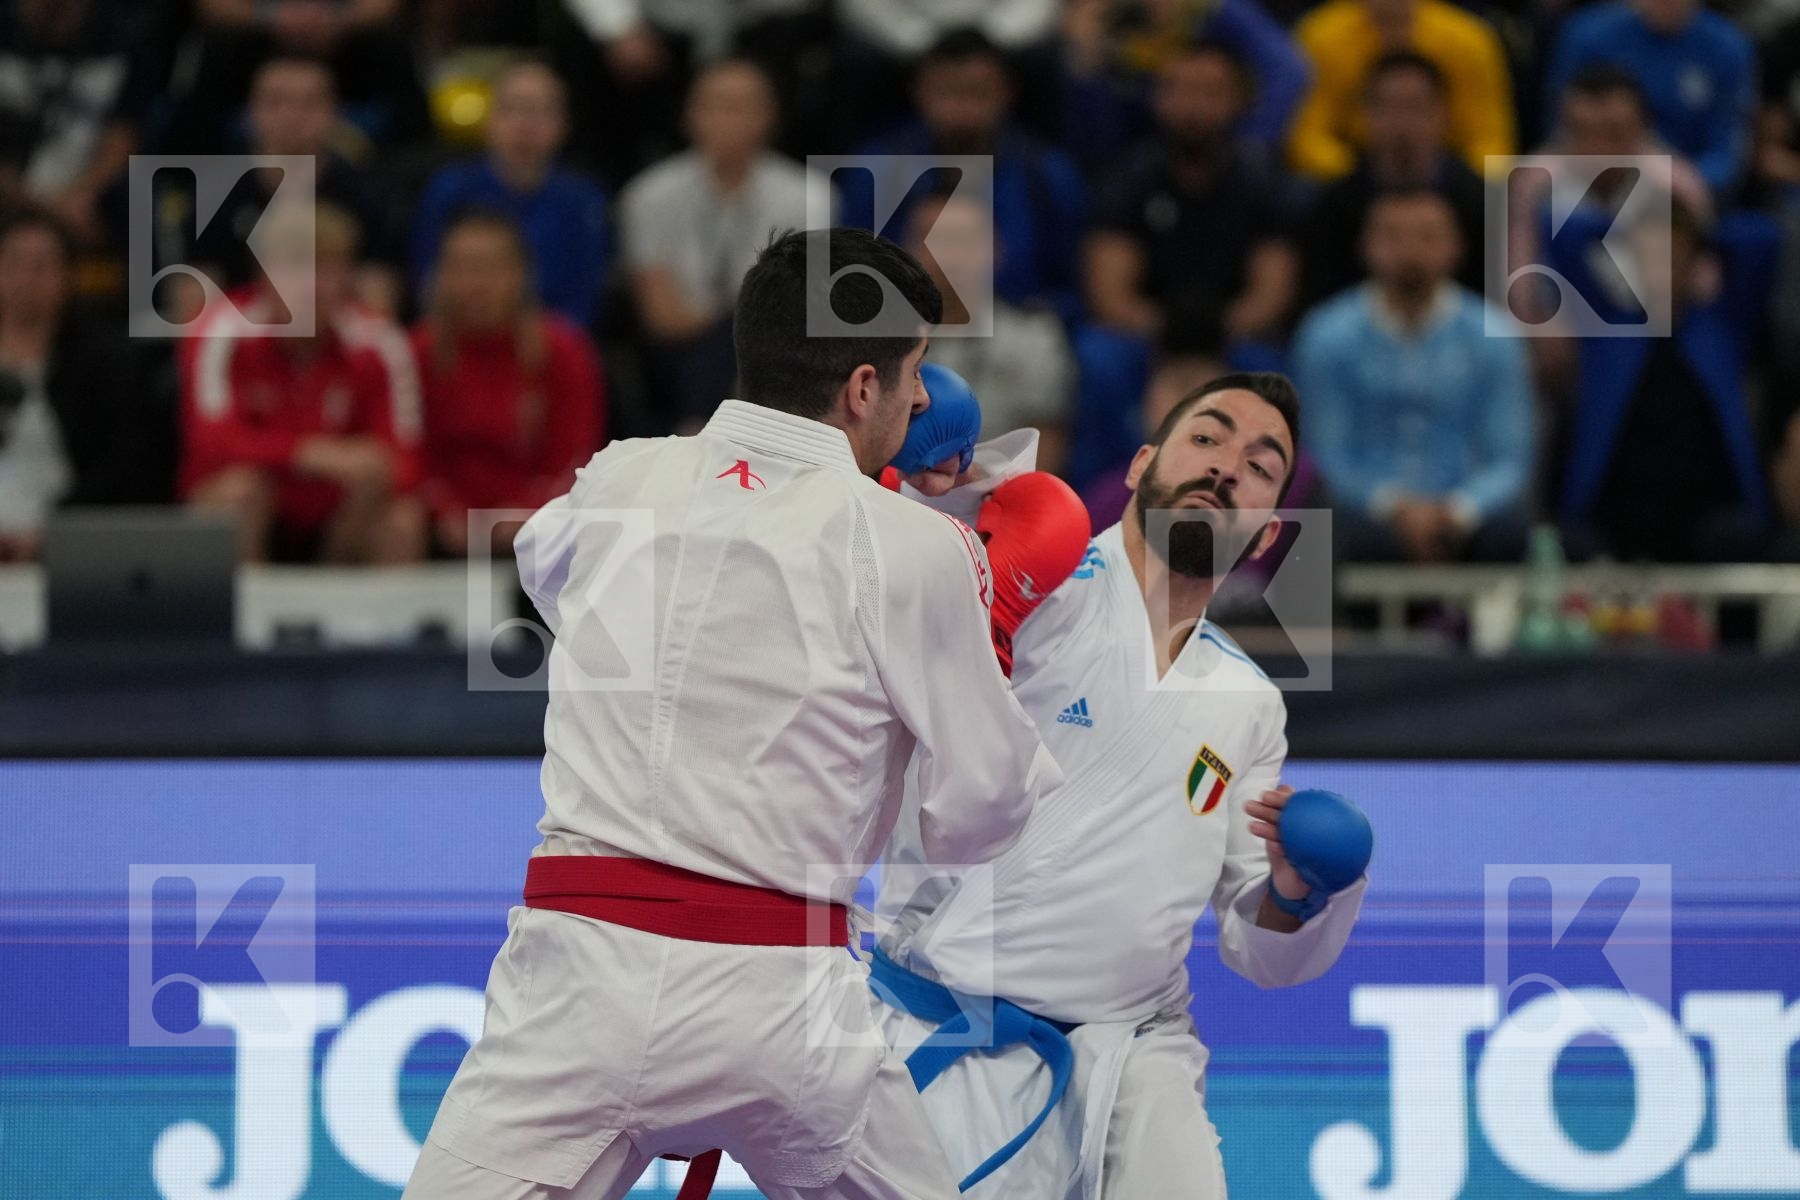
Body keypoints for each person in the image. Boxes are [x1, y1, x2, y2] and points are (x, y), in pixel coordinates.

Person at [402, 227, 1070, 1199]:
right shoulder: (914, 549)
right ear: (862, 390)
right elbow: (980, 812)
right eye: (914, 371)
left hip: (578, 982)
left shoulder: (618, 479)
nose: (925, 398)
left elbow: (547, 576)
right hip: (783, 1001)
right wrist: (980, 629)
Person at [872, 371, 1367, 1198]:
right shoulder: (1025, 575)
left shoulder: (1248, 702)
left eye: (1260, 463)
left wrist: (1295, 891)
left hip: (1137, 1053)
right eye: (1207, 438)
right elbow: (898, 536)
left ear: (1271, 530)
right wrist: (923, 468)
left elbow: (1260, 941)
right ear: (1140, 466)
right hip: (951, 1027)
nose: (1226, 467)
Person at [1293, 188, 1533, 563]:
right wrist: (1393, 509)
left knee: (1512, 536)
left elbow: (1509, 459)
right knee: (1332, 535)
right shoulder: (1326, 336)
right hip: (1364, 512)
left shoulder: (1495, 335)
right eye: (1392, 236)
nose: (1410, 251)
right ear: (1365, 246)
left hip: (1465, 512)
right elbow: (1323, 454)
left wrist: (1457, 511)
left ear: (1457, 246)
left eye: (1428, 237)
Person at [181, 202, 424, 563]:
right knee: (238, 494)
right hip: (258, 501)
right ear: (261, 276)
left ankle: (359, 614)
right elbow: (210, 442)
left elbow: (405, 457)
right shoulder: (221, 333)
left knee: (401, 519)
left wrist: (370, 468)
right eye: (292, 269)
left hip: (342, 515)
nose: (309, 286)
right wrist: (308, 453)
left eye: (324, 269)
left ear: (348, 278)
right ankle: (245, 617)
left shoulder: (380, 342)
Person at [620, 58, 830, 428]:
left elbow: (792, 309)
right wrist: (726, 318)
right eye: (715, 105)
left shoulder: (809, 195)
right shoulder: (648, 195)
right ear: (688, 114)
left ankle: (698, 429)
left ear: (770, 116)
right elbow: (661, 316)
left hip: (771, 351)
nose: (728, 119)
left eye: (741, 107)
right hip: (676, 353)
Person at [839, 29, 1086, 323]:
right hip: (903, 326)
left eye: (978, 93)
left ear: (1007, 92)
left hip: (1019, 327)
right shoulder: (876, 169)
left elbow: (1072, 286)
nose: (964, 110)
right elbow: (853, 278)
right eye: (949, 92)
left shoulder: (1048, 174)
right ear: (919, 90)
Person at [411, 210, 604, 558]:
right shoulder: (418, 352)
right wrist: (443, 509)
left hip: (539, 523)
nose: (476, 284)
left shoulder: (563, 351)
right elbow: (411, 452)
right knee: (400, 521)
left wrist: (523, 514)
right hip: (442, 524)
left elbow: (576, 457)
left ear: (520, 274)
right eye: (462, 268)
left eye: (490, 268)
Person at [1085, 41, 1299, 348]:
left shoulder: (1264, 183)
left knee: (1265, 359)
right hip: (1146, 335)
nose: (1193, 107)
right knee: (1100, 352)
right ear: (1156, 98)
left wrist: (1209, 334)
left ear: (1241, 101)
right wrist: (1177, 333)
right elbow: (1110, 296)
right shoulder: (1127, 178)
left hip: (1233, 336)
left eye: (1210, 93)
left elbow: (1270, 296)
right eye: (1179, 90)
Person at [186, 55, 403, 315]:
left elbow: (378, 292)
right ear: (252, 109)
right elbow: (195, 293)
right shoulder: (217, 193)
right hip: (243, 333)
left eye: (309, 104)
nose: (292, 115)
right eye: (277, 102)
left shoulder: (365, 193)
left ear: (333, 111)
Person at [0, 209, 158, 560]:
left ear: (67, 276)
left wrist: (55, 528)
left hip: (63, 532)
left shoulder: (102, 360)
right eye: (14, 264)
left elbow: (121, 465)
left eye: (41, 266)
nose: (26, 279)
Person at [412, 59, 611, 328]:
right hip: (460, 340)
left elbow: (582, 303)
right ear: (489, 119)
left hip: (551, 345)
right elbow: (430, 288)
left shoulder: (584, 201)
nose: (525, 125)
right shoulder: (449, 190)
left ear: (564, 124)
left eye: (540, 111)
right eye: (512, 109)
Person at [901, 189, 1075, 474]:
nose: (948, 256)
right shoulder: (882, 342)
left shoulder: (1035, 338)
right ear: (907, 251)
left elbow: (1046, 452)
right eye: (932, 242)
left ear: (995, 249)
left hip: (1001, 501)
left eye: (962, 241)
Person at [1299, 50, 1487, 308]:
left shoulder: (1479, 202)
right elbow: (1322, 302)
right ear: (1367, 113)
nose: (1402, 123)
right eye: (1387, 107)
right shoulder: (1335, 205)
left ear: (1442, 114)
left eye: (1415, 107)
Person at [1546, 0, 1755, 197]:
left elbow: (1727, 150)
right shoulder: (1587, 35)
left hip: (1682, 190)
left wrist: (1676, 182)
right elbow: (1558, 129)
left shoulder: (1729, 47)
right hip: (1591, 178)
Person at [1287, 0, 1514, 180]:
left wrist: (1455, 181)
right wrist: (1361, 177)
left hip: (1445, 170)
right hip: (1355, 166)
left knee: (1495, 202)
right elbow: (1305, 137)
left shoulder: (1469, 42)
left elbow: (1491, 142)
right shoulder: (1322, 37)